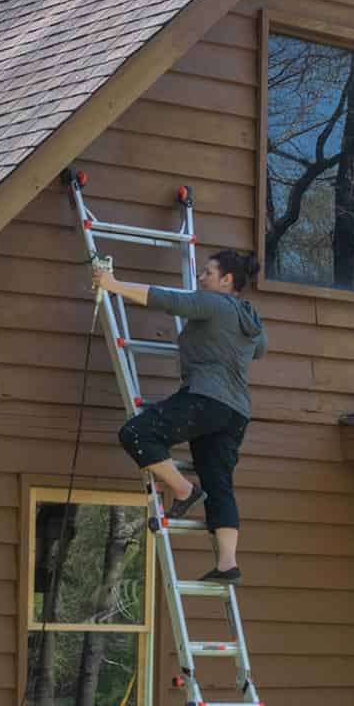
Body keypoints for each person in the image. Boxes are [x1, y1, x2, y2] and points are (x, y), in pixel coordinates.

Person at [93, 249, 266, 584]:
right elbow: (259, 348)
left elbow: (169, 301)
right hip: (236, 412)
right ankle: (228, 564)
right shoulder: (251, 317)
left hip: (207, 398)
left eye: (207, 273)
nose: (200, 278)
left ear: (226, 279)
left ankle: (185, 491)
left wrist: (112, 284)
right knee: (220, 484)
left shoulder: (215, 304)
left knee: (136, 434)